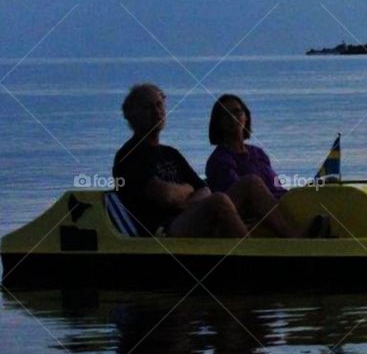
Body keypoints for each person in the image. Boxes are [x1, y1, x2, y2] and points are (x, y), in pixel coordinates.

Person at [113, 84, 301, 238]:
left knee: (251, 182)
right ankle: (252, 254)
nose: (156, 112)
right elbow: (164, 195)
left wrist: (187, 199)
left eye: (159, 105)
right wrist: (187, 191)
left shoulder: (171, 153)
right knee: (218, 201)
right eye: (148, 107)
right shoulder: (130, 155)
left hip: (191, 215)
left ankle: (296, 240)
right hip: (163, 229)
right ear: (131, 115)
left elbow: (204, 189)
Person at [205, 94, 329, 238]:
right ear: (218, 123)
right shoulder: (220, 158)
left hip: (275, 205)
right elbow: (236, 198)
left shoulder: (257, 153)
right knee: (252, 182)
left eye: (237, 112)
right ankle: (291, 235)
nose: (233, 118)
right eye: (226, 115)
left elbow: (276, 187)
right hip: (243, 215)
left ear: (246, 116)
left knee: (317, 189)